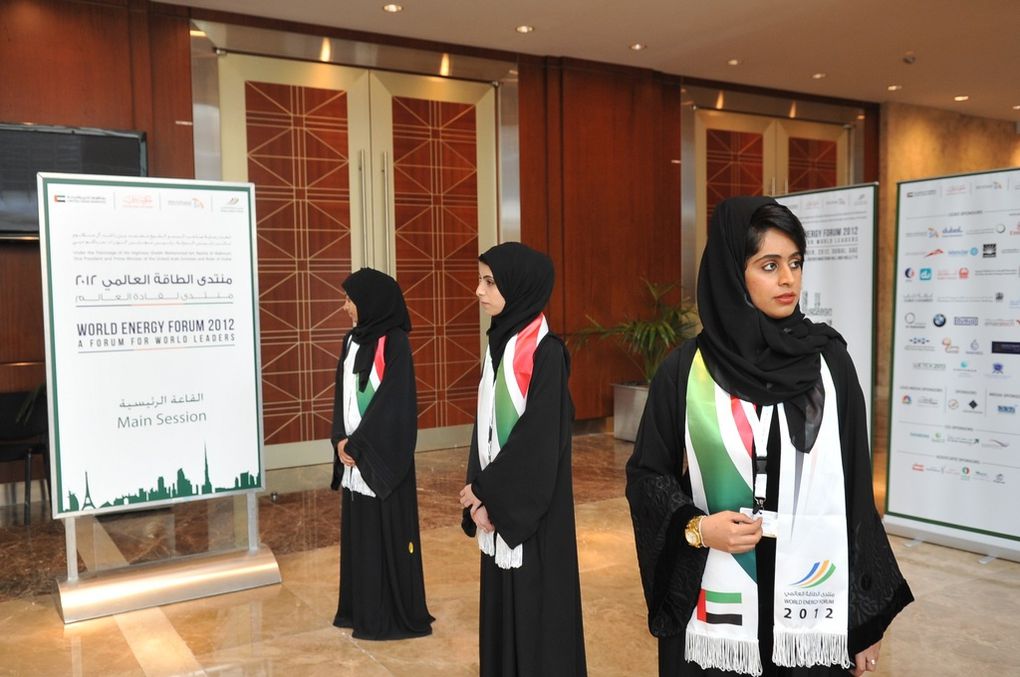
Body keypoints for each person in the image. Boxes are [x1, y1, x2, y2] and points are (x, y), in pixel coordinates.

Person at [626, 196, 912, 677]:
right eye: (769, 264)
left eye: (795, 263)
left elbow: (856, 494)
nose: (788, 280)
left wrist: (865, 621)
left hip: (810, 606)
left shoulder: (829, 363)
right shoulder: (685, 370)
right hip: (716, 605)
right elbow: (647, 477)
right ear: (733, 273)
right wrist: (696, 528)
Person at [458, 242, 587, 676]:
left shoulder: (547, 353)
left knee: (537, 614)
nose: (478, 290)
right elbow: (485, 430)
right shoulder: (498, 346)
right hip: (496, 508)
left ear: (520, 286)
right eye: (480, 279)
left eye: (489, 281)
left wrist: (490, 495)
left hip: (534, 515)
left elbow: (538, 442)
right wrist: (478, 496)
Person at [329, 267, 433, 640]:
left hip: (381, 460)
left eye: (350, 300)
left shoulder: (396, 343)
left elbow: (395, 405)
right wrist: (340, 439)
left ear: (370, 303)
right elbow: (340, 396)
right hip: (354, 458)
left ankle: (389, 613)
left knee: (387, 536)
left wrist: (358, 446)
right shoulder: (351, 341)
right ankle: (360, 608)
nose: (345, 308)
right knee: (361, 537)